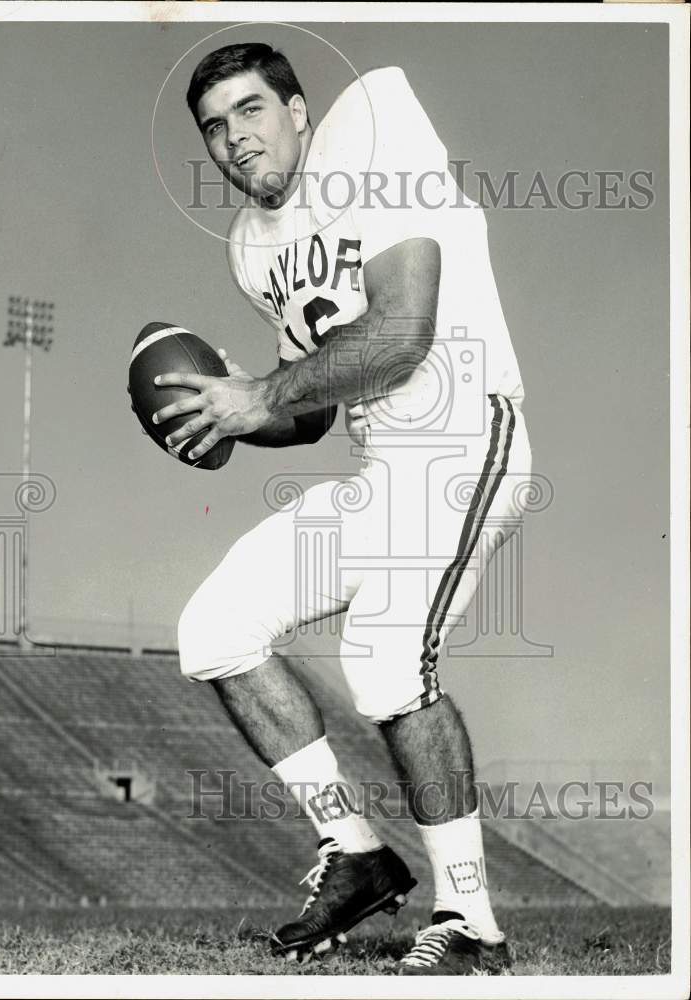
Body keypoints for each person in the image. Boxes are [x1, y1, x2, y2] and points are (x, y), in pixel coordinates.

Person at [154, 43, 532, 975]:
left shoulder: (373, 133)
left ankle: (473, 925)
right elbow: (312, 408)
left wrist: (260, 396)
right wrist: (232, 415)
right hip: (379, 474)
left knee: (385, 658)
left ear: (298, 111)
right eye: (212, 127)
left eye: (250, 111)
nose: (233, 139)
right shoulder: (254, 244)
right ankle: (356, 854)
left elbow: (400, 333)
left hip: (461, 442)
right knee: (216, 628)